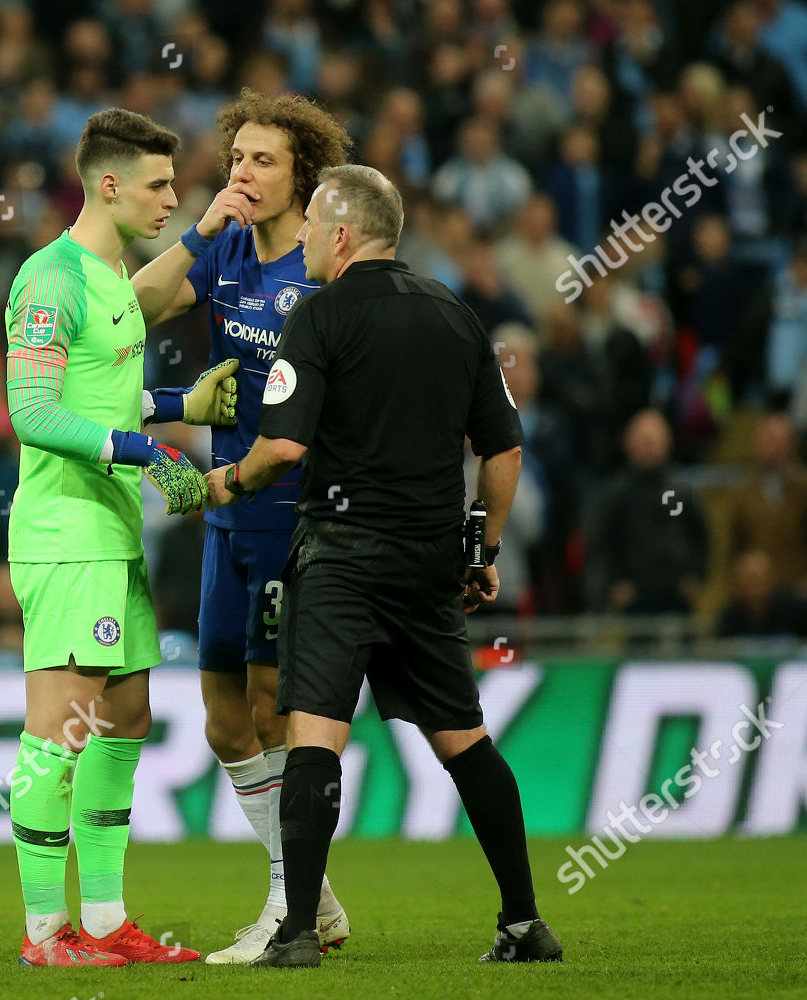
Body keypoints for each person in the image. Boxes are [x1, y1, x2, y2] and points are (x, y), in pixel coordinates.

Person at [206, 165, 562, 967]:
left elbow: (285, 446)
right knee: (466, 742)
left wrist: (224, 480)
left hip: (342, 558)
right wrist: (484, 543)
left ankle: (297, 930)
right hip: (430, 559)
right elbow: (504, 445)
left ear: (340, 235)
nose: (299, 244)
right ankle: (523, 922)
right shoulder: (456, 315)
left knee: (314, 741)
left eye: (309, 232)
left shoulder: (320, 315)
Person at [2, 107, 240, 968]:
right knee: (57, 732)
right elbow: (29, 410)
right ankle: (42, 936)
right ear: (107, 185)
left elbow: (100, 400)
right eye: (158, 185)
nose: (172, 199)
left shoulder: (113, 277)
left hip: (111, 529)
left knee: (126, 717)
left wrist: (179, 408)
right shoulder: (51, 278)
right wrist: (141, 449)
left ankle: (103, 922)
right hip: (66, 533)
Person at [132, 89, 353, 964]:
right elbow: (138, 307)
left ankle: (286, 905)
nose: (244, 174)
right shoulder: (221, 245)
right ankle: (316, 899)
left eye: (263, 161)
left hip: (293, 510)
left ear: (303, 172)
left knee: (272, 708)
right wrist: (196, 226)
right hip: (225, 509)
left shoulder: (326, 263)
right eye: (236, 160)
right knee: (225, 719)